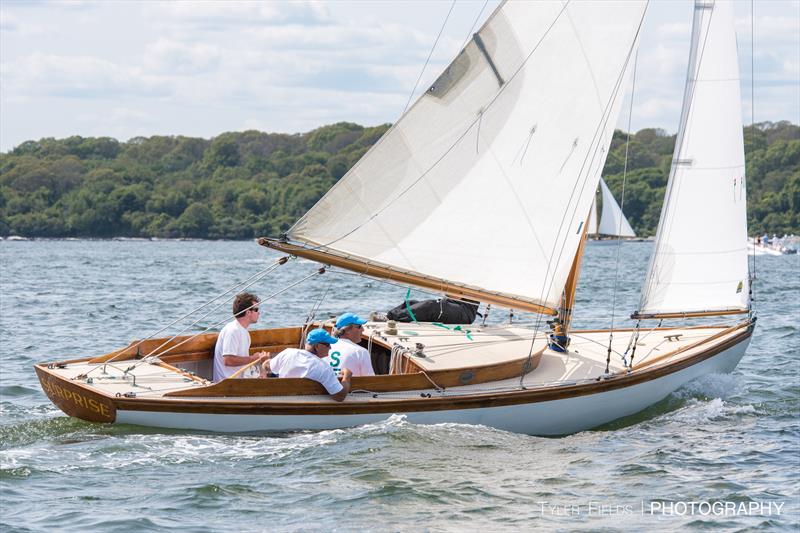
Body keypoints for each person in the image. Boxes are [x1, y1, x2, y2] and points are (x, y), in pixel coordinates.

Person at [262, 328, 352, 402]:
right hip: (304, 404)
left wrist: (266, 360)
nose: (330, 347)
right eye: (328, 344)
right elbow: (339, 396)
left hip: (284, 400)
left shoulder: (288, 352)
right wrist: (347, 376)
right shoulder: (323, 368)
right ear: (317, 346)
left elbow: (266, 366)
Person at [212, 292, 268, 382]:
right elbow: (228, 360)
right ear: (248, 312)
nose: (259, 313)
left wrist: (260, 362)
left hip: (239, 382)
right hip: (227, 385)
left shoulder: (243, 331)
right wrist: (253, 358)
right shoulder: (233, 330)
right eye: (256, 309)